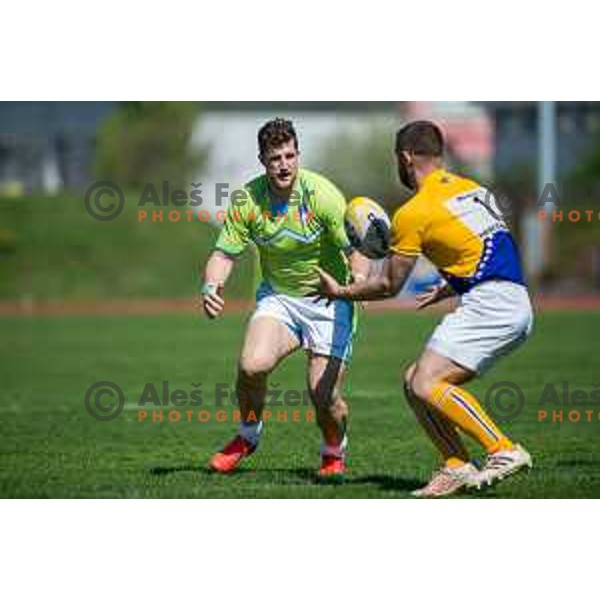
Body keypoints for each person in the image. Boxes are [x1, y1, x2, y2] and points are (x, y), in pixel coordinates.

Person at [317, 120, 534, 497]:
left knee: (426, 382)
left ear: (404, 158)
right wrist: (451, 284)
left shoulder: (414, 211)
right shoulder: (473, 189)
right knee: (413, 380)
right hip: (512, 299)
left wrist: (340, 292)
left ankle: (502, 449)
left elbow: (388, 284)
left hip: (491, 305)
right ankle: (456, 465)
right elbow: (492, 245)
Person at [199, 118, 368, 480]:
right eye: (275, 157)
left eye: (290, 155)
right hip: (280, 299)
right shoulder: (248, 199)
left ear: (298, 155)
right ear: (263, 160)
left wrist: (359, 280)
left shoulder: (322, 194)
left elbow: (355, 249)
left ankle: (333, 450)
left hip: (330, 302)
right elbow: (224, 254)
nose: (284, 164)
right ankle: (247, 435)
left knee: (324, 398)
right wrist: (211, 287)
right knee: (251, 366)